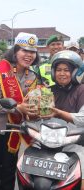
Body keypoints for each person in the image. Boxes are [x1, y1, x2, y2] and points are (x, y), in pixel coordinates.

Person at [0, 32, 40, 190]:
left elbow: (32, 101)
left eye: (32, 52)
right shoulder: (0, 70)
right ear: (15, 50)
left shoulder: (32, 76)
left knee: (9, 170)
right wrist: (17, 107)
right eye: (24, 50)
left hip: (14, 129)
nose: (28, 55)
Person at [44, 50, 84, 188]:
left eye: (66, 70)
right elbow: (38, 115)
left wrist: (58, 113)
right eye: (59, 70)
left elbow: (83, 118)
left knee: (82, 169)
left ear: (76, 72)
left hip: (77, 142)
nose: (62, 73)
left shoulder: (81, 90)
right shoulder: (49, 90)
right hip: (49, 140)